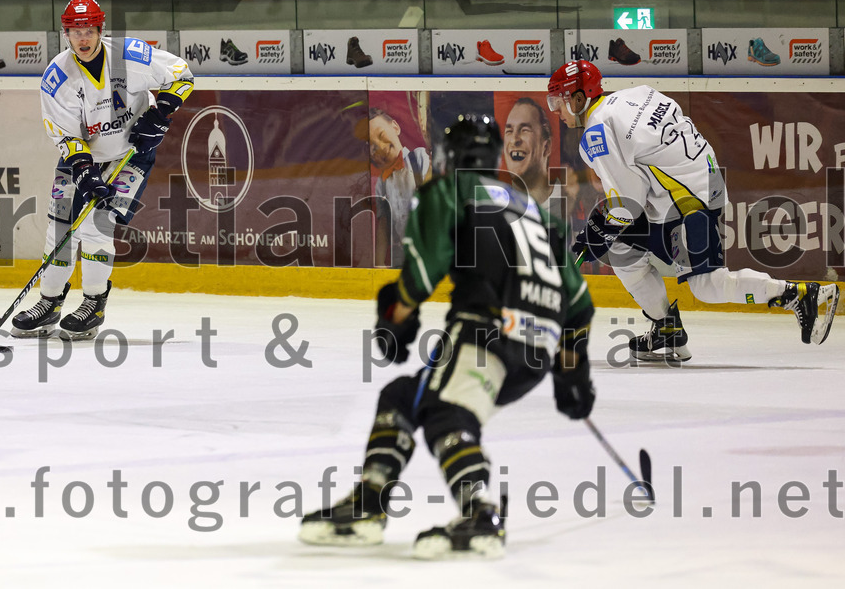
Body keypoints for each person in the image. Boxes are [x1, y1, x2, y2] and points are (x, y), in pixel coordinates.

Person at [299, 114, 596, 560]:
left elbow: (420, 276)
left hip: (485, 334)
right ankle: (369, 501)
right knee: (404, 397)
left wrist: (395, 316)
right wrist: (571, 376)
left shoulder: (450, 190)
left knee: (444, 411)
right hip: (534, 351)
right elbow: (580, 307)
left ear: (447, 154)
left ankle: (480, 513)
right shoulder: (533, 208)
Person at [545, 60, 839, 362]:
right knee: (621, 246)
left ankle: (800, 295)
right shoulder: (637, 94)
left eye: (558, 101)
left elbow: (629, 202)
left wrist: (596, 234)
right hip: (698, 184)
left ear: (579, 98)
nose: (556, 111)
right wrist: (606, 227)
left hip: (687, 201)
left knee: (705, 285)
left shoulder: (596, 132)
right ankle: (666, 328)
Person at [10, 0, 194, 340]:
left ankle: (93, 304)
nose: (83, 38)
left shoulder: (130, 55)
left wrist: (159, 114)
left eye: (89, 30)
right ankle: (49, 303)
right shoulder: (57, 76)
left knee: (96, 226)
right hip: (81, 158)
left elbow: (183, 75)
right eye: (76, 31)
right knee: (60, 228)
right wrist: (85, 172)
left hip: (131, 155)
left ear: (100, 30)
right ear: (65, 33)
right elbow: (65, 135)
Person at [368, 108, 431, 267]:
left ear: (395, 127)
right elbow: (383, 226)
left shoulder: (420, 157)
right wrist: (379, 264)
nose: (381, 147)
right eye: (373, 147)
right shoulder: (382, 183)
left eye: (382, 136)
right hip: (401, 254)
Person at [502, 97, 553, 205]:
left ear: (547, 147)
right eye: (509, 131)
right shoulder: (497, 204)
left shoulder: (569, 199)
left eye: (525, 130)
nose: (514, 140)